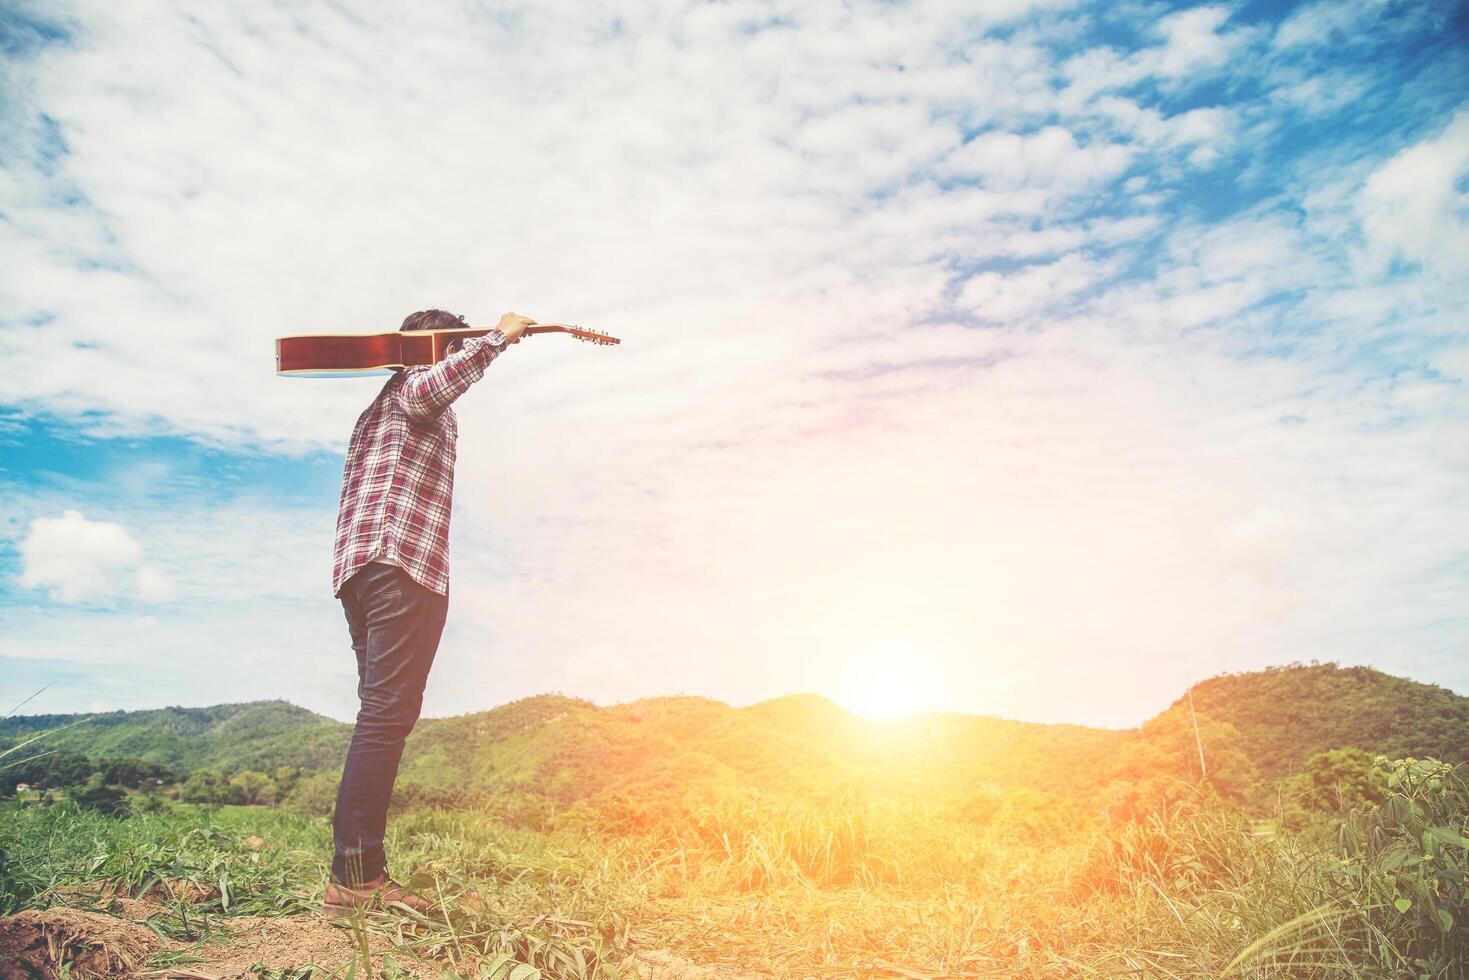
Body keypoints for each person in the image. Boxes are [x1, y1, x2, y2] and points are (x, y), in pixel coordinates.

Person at [321, 308, 534, 917]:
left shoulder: (377, 410)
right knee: (387, 717)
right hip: (399, 565)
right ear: (433, 345)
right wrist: (499, 339)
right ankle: (355, 879)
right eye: (451, 344)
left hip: (360, 571)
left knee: (380, 717)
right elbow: (433, 384)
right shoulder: (416, 388)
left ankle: (358, 872)